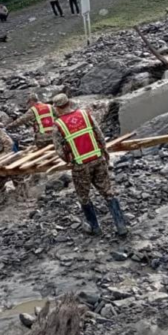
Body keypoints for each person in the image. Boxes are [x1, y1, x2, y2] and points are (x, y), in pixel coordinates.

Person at [52, 93, 127, 236]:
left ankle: (95, 227)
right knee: (108, 192)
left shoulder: (58, 125)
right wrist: (104, 154)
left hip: (80, 165)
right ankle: (120, 225)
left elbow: (59, 151)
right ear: (69, 103)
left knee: (84, 196)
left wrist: (69, 160)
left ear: (57, 108)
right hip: (97, 159)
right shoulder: (85, 115)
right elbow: (99, 135)